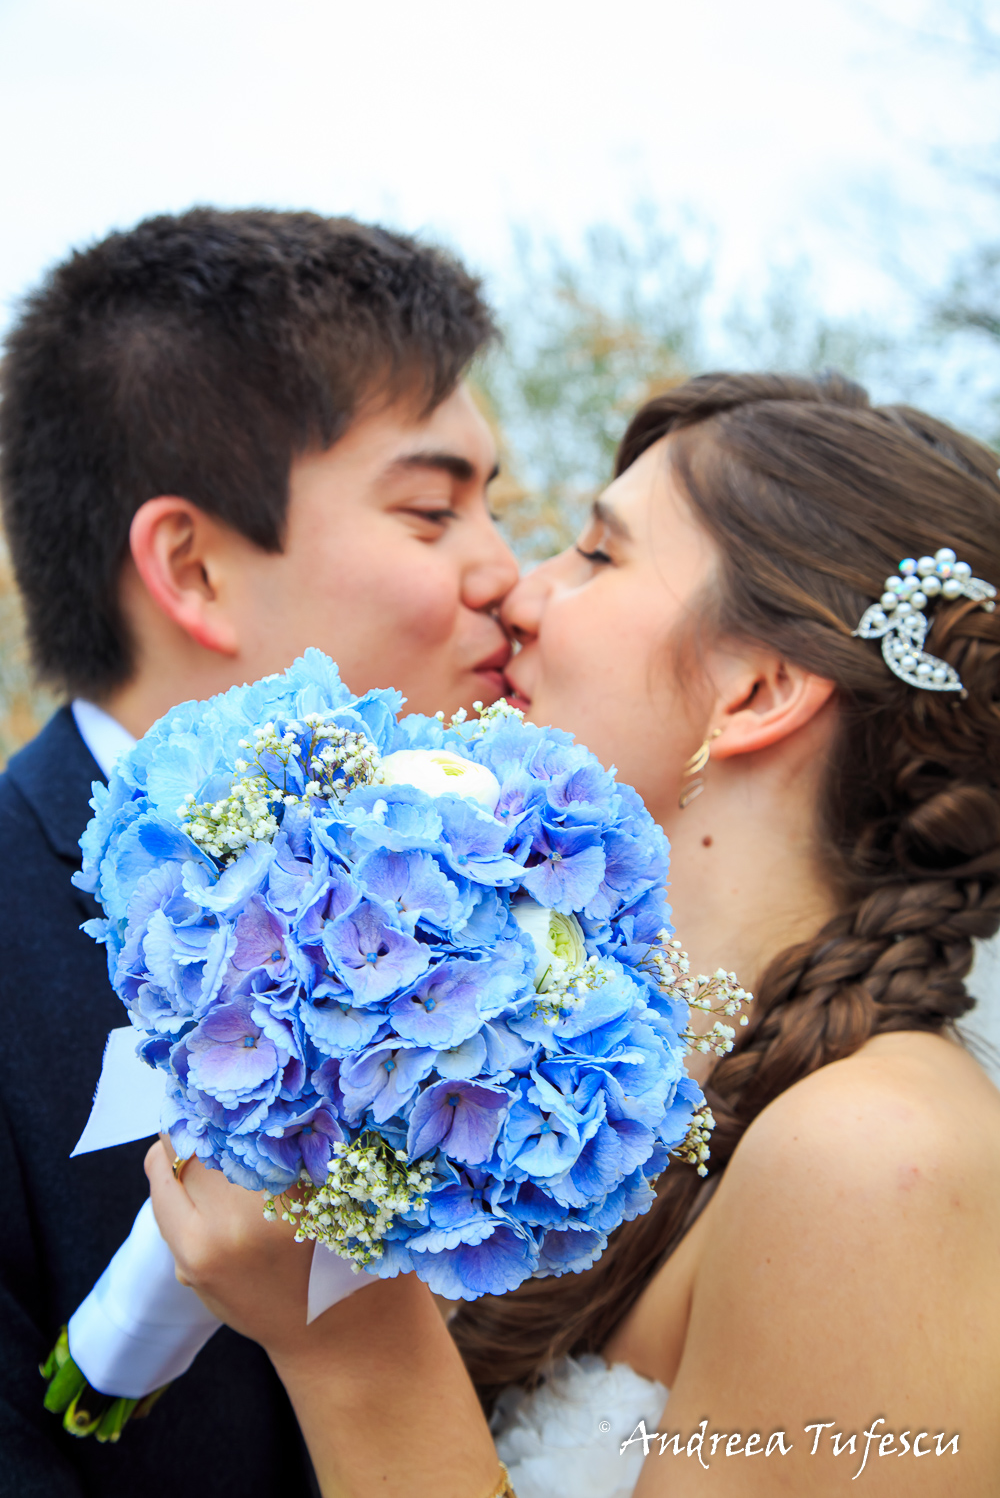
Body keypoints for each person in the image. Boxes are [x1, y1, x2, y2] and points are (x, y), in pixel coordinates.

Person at [149, 372, 1000, 1496]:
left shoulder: (877, 1158)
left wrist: (350, 1347)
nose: (519, 590)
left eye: (597, 555)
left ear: (757, 690)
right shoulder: (589, 1078)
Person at [0, 207, 517, 1498]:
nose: (507, 575)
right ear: (193, 566)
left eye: (495, 509)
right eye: (433, 513)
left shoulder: (523, 910)